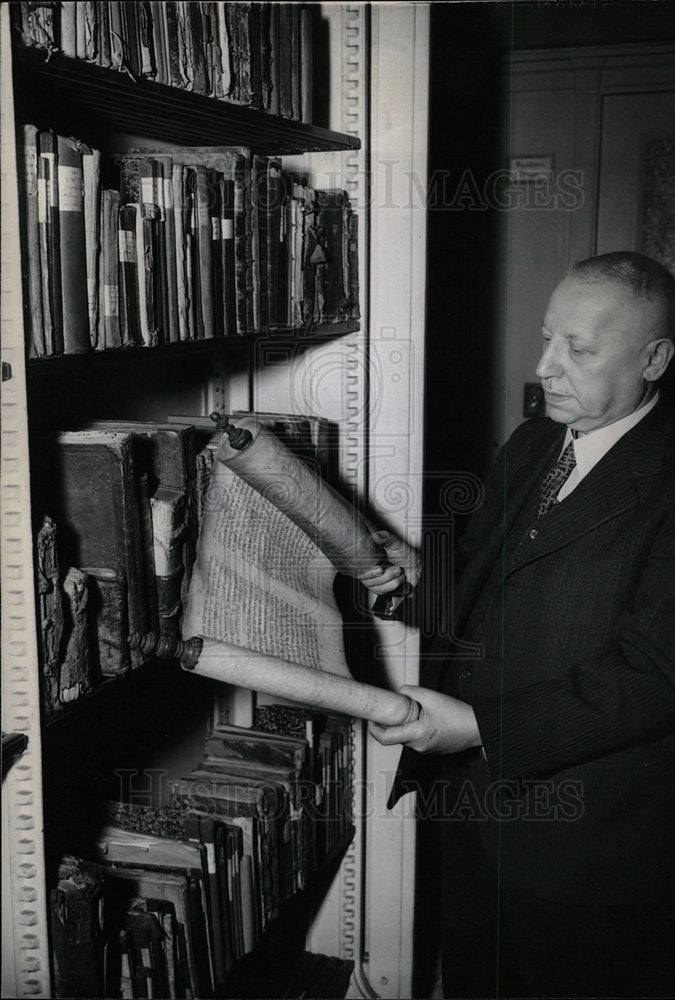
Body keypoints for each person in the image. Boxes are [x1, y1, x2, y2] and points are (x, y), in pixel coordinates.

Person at [360, 251, 675, 998]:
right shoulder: (535, 442)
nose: (545, 366)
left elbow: (653, 674)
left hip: (589, 849)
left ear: (654, 358)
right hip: (474, 815)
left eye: (578, 348)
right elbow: (485, 585)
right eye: (545, 338)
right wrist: (412, 583)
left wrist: (480, 728)